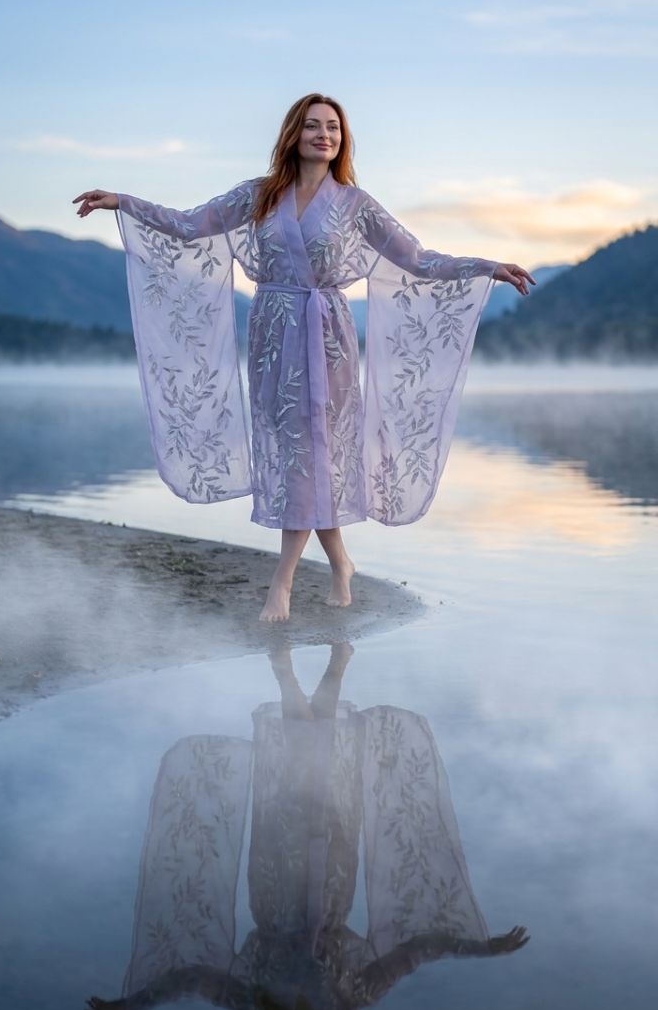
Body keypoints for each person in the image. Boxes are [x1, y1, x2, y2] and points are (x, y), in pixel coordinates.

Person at [73, 94, 534, 622]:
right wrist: (124, 203)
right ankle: (341, 563)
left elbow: (419, 260)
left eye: (333, 127)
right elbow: (188, 225)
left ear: (343, 138)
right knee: (298, 456)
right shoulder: (257, 197)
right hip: (274, 334)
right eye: (313, 125)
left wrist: (487, 267)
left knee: (313, 455)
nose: (324, 135)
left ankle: (283, 583)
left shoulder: (355, 205)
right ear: (293, 133)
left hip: (329, 336)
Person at [85, 642, 529, 1010]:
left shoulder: (254, 1003)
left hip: (274, 875)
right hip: (333, 869)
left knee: (305, 758)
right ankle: (299, 671)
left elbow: (191, 978)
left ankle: (311, 669)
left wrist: (129, 1007)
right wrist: (481, 948)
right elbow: (417, 949)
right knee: (318, 758)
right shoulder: (356, 995)